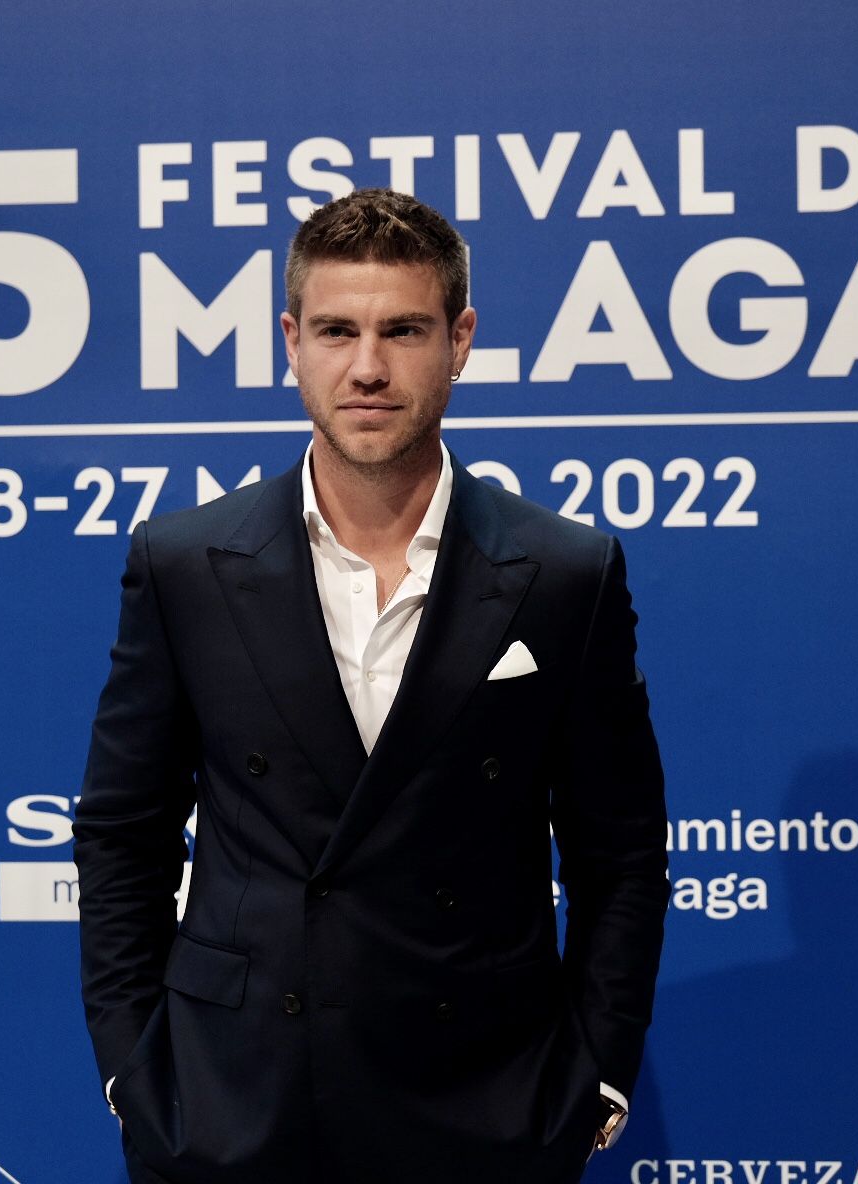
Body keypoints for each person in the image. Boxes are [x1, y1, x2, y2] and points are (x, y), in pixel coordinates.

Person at [73, 188, 668, 1184]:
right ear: (290, 340)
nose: (369, 367)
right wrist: (136, 1070)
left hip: (483, 1106)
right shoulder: (184, 563)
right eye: (338, 330)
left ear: (460, 338)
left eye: (404, 329)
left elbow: (621, 849)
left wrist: (596, 1072)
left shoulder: (567, 573)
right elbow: (123, 829)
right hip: (237, 1107)